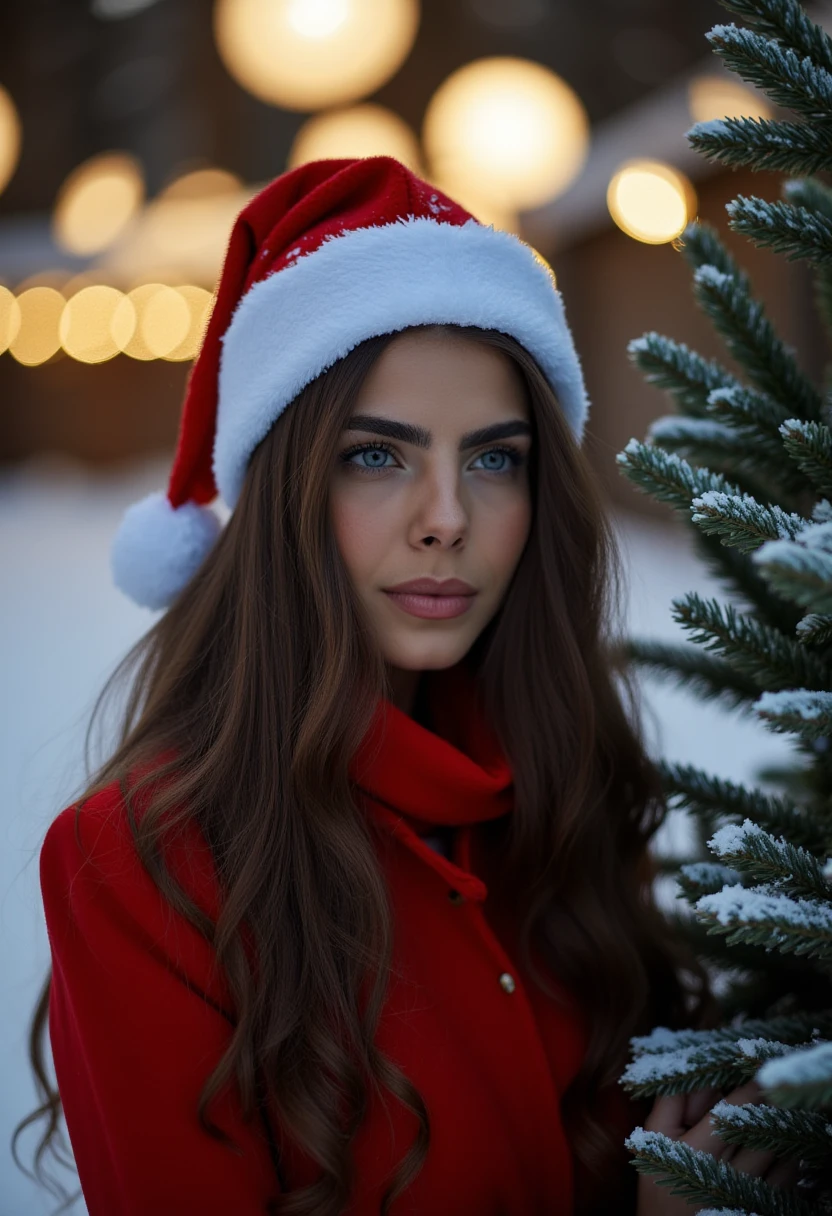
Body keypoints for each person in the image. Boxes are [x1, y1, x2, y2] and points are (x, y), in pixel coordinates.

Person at [11, 156, 799, 1216]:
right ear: (286, 487)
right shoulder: (146, 866)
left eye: (494, 458)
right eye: (376, 457)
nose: (447, 517)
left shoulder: (565, 787)